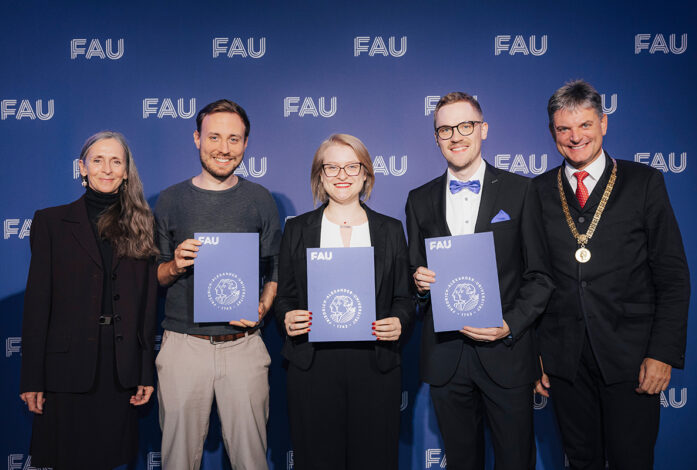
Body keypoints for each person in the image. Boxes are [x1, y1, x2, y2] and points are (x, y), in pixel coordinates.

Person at [533, 80, 690, 469]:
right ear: (552, 132)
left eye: (585, 125)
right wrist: (535, 355)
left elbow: (672, 276)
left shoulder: (644, 182)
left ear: (603, 123)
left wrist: (662, 353)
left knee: (631, 460)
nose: (575, 137)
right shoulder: (536, 191)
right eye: (564, 128)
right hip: (564, 361)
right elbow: (531, 278)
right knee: (580, 461)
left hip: (632, 358)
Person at [405, 92, 554, 469]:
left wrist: (510, 325)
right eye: (445, 129)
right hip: (446, 357)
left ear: (483, 129)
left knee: (515, 460)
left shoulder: (522, 191)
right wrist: (418, 285)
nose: (456, 136)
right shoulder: (418, 200)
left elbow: (540, 276)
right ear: (436, 137)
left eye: (465, 126)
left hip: (506, 353)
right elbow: (413, 278)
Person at [19, 131, 159, 470]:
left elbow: (146, 306)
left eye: (116, 161)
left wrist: (145, 371)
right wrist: (32, 378)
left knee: (111, 460)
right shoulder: (51, 222)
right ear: (82, 168)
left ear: (126, 171)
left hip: (119, 369)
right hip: (65, 369)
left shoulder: (142, 224)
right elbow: (37, 304)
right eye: (98, 160)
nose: (106, 169)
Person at [274, 134, 414, 470]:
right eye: (332, 167)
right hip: (312, 364)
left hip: (375, 364)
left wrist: (399, 320)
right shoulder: (297, 229)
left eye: (352, 166)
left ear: (366, 174)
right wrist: (287, 316)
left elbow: (404, 297)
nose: (342, 175)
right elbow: (285, 296)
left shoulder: (391, 230)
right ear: (320, 175)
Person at [154, 99, 281, 469]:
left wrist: (262, 307)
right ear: (197, 139)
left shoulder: (260, 199)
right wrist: (175, 265)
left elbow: (275, 270)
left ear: (245, 144)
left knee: (252, 460)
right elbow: (155, 274)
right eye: (214, 137)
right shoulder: (170, 199)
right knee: (177, 461)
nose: (224, 148)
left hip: (243, 344)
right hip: (183, 346)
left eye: (234, 139)